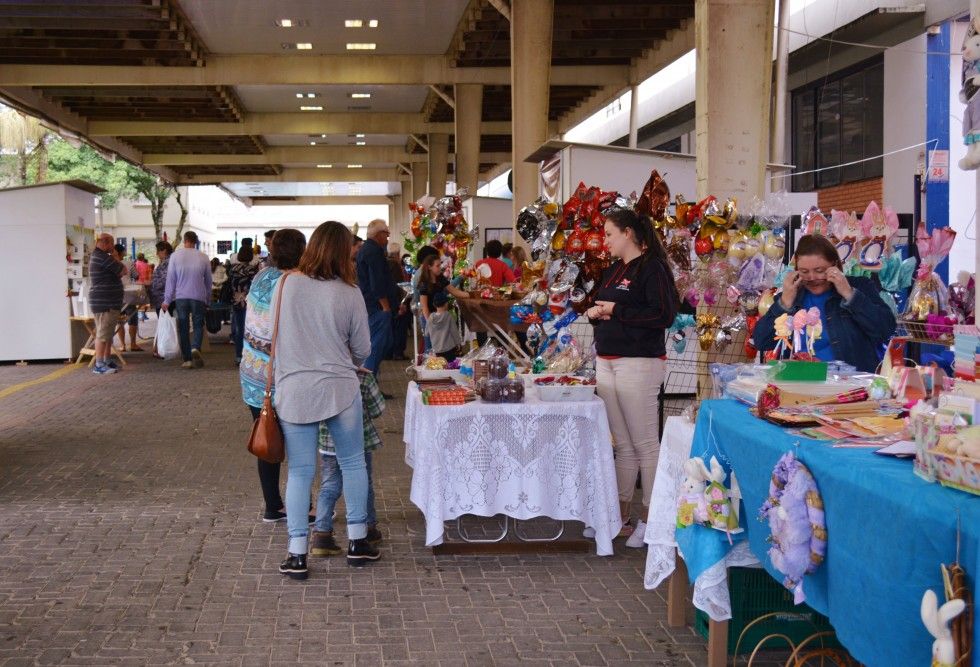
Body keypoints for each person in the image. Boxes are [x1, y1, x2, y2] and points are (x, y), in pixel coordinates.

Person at [274, 221, 376, 580]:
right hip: (340, 389)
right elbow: (363, 350)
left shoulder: (285, 285)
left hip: (294, 390)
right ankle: (358, 542)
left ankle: (298, 553)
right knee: (352, 465)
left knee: (300, 472)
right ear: (344, 250)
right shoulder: (349, 292)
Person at [586, 208, 678, 546]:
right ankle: (619, 515)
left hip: (638, 363)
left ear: (627, 233)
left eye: (609, 234)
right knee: (622, 445)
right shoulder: (614, 270)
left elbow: (664, 314)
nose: (605, 241)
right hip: (607, 360)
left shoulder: (652, 268)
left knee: (644, 445)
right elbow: (611, 308)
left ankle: (651, 520)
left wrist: (615, 311)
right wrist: (597, 314)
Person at [752, 234, 896, 373]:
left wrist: (849, 294)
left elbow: (885, 329)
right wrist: (785, 303)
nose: (812, 277)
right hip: (800, 384)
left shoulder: (860, 287)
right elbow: (761, 341)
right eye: (804, 271)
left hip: (849, 388)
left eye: (819, 270)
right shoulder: (793, 295)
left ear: (834, 265)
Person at [239, 229, 306, 524]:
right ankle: (302, 507)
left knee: (267, 436)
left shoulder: (261, 276)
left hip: (253, 373)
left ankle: (272, 506)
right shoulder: (296, 283)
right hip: (282, 376)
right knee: (296, 444)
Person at [310, 367, 384, 557]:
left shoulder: (319, 375)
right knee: (363, 483)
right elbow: (378, 408)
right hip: (359, 440)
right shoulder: (363, 377)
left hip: (328, 442)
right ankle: (368, 528)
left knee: (329, 486)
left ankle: (322, 534)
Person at [161, 231, 212, 369]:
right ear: (196, 242)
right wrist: (208, 299)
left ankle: (187, 360)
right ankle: (195, 347)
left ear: (185, 241)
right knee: (198, 324)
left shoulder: (175, 256)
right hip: (198, 297)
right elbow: (208, 281)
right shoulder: (204, 257)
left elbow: (171, 280)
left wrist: (167, 300)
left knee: (182, 327)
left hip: (181, 298)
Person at [356, 219, 394, 378]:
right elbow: (376, 281)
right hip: (377, 307)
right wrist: (385, 306)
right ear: (379, 234)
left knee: (377, 346)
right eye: (386, 234)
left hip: (371, 305)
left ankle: (372, 384)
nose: (388, 237)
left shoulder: (366, 250)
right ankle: (369, 384)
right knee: (377, 347)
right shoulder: (374, 252)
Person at [88, 233, 127, 375]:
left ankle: (106, 359)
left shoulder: (102, 257)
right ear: (105, 243)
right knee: (103, 334)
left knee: (108, 334)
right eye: (112, 244)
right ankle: (99, 364)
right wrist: (116, 255)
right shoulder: (102, 257)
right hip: (104, 302)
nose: (113, 247)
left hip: (109, 301)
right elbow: (123, 270)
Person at [228, 245, 260, 364]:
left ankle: (238, 356)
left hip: (236, 301)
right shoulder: (253, 270)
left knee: (239, 328)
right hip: (250, 302)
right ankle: (249, 356)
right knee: (251, 330)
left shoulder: (233, 269)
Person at [113, 243, 143, 352]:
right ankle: (133, 344)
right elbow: (137, 276)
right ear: (122, 252)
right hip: (129, 296)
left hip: (116, 296)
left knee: (119, 321)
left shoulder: (110, 263)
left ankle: (122, 345)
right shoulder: (129, 263)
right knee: (132, 319)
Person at [149, 241, 173, 359]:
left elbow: (164, 280)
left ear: (164, 250)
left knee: (163, 324)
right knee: (163, 323)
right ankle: (160, 348)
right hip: (163, 297)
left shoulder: (167, 263)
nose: (157, 254)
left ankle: (163, 349)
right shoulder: (167, 262)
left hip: (163, 298)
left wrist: (151, 283)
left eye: (158, 251)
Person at [427, 291, 462, 362]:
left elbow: (426, 332)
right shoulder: (448, 316)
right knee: (450, 366)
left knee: (439, 366)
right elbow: (454, 331)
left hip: (436, 349)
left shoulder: (430, 317)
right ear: (446, 304)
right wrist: (458, 343)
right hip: (449, 348)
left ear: (434, 304)